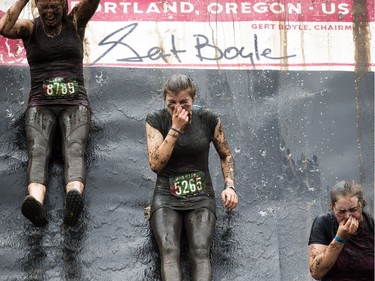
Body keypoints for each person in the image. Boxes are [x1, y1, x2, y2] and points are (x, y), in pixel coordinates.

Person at [0, 0, 100, 227]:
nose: (50, 11)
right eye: (44, 6)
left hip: (75, 103)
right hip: (40, 103)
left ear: (65, 5)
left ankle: (74, 197)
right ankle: (35, 201)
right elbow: (4, 28)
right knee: (37, 150)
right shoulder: (30, 28)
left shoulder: (75, 21)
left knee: (74, 147)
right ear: (37, 6)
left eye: (55, 6)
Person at [145, 74, 239, 280]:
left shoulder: (208, 119)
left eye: (184, 103)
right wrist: (175, 128)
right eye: (172, 103)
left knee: (200, 252)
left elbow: (226, 155)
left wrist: (229, 186)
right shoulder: (155, 120)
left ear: (193, 100)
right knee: (169, 253)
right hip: (166, 196)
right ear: (165, 101)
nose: (178, 108)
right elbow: (156, 164)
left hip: (200, 196)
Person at [308, 179, 374, 280]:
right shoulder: (324, 223)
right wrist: (339, 239)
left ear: (361, 205)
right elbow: (316, 273)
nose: (347, 216)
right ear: (333, 208)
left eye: (353, 210)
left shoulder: (371, 226)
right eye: (341, 211)